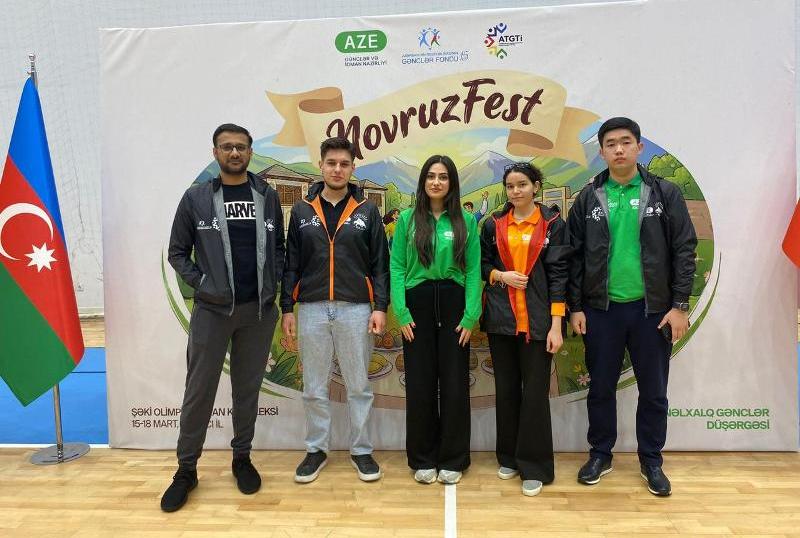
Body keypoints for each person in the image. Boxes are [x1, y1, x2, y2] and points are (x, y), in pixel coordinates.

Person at [567, 117, 697, 497]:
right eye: (611, 144)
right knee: (600, 389)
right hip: (600, 311)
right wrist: (576, 307)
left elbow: (684, 248)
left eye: (626, 142)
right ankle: (600, 454)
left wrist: (679, 305)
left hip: (652, 312)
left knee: (654, 391)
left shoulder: (664, 193)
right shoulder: (588, 198)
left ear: (639, 147)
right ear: (602, 152)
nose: (619, 149)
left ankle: (651, 460)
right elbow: (573, 256)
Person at [162, 123, 284, 512]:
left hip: (258, 313)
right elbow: (177, 251)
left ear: (250, 152)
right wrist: (204, 283)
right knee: (199, 391)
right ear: (215, 152)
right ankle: (186, 471)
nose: (234, 153)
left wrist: (273, 283)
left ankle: (241, 458)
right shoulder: (196, 198)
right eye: (227, 147)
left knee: (247, 390)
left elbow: (279, 248)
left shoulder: (267, 195)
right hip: (212, 313)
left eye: (241, 147)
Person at [281, 137, 390, 484]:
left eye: (344, 164)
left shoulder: (367, 210)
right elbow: (291, 264)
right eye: (332, 163)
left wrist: (380, 307)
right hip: (312, 308)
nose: (338, 169)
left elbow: (380, 265)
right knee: (314, 387)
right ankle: (316, 449)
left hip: (356, 309)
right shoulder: (302, 211)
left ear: (353, 168)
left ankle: (361, 451)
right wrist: (287, 308)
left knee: (358, 386)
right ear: (321, 166)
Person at [390, 155, 482, 485]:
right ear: (423, 182)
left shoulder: (466, 221)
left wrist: (471, 316)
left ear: (452, 182)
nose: (436, 182)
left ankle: (454, 458)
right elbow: (396, 267)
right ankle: (423, 457)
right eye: (431, 176)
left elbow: (473, 271)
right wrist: (401, 312)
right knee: (420, 383)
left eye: (443, 177)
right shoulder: (407, 219)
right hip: (417, 305)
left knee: (455, 383)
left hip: (455, 305)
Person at [480, 162, 568, 497]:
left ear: (536, 187)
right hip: (502, 321)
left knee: (534, 395)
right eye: (510, 186)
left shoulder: (552, 224)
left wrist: (556, 325)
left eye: (522, 185)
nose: (516, 191)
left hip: (538, 323)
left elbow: (559, 276)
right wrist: (501, 276)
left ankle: (535, 466)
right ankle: (509, 457)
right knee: (506, 390)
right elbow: (482, 265)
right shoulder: (494, 224)